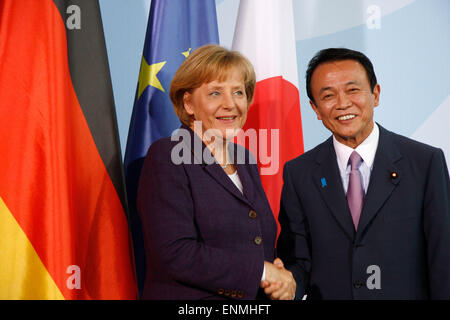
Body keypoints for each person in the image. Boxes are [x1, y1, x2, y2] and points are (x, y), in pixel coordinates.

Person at [276, 48, 450, 299]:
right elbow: (298, 261)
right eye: (328, 95)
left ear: (375, 94)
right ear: (315, 108)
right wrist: (285, 284)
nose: (343, 103)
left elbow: (443, 258)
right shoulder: (298, 173)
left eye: (353, 90)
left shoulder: (424, 163)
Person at [137, 44, 296, 300]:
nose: (230, 104)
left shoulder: (245, 160)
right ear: (188, 103)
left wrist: (279, 275)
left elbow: (255, 241)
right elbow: (175, 253)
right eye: (215, 93)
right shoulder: (167, 156)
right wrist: (261, 272)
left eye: (238, 92)